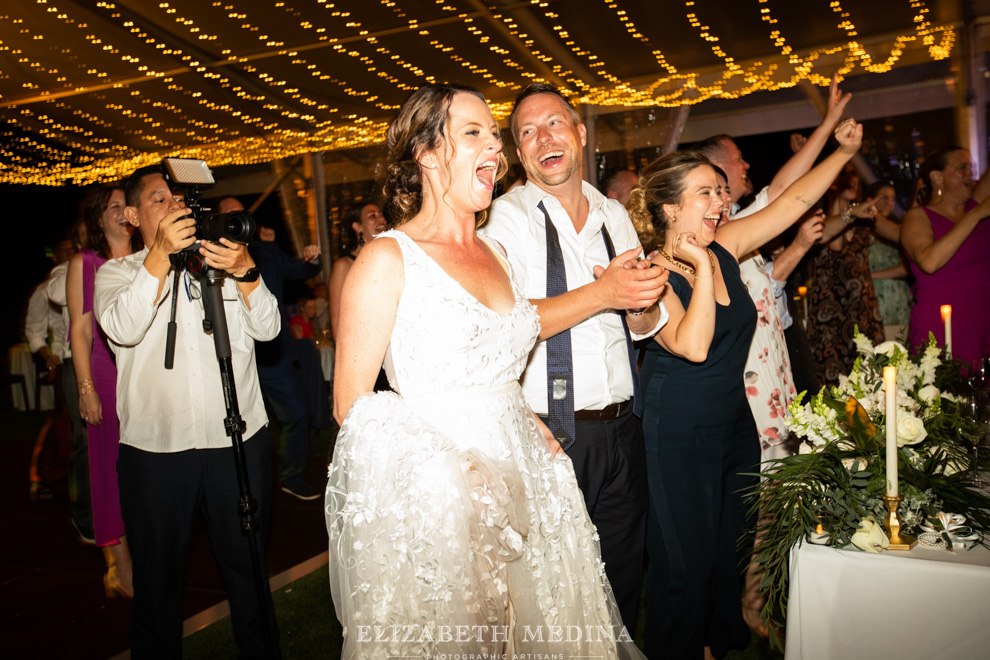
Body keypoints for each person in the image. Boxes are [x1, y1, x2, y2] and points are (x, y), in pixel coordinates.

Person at [327, 82, 641, 658]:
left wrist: (527, 416)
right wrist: (453, 473)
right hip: (444, 498)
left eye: (495, 136)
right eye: (473, 133)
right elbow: (351, 403)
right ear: (426, 153)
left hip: (528, 475)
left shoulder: (494, 255)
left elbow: (496, 357)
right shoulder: (387, 258)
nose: (494, 149)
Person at [630, 118, 862, 659]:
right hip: (678, 433)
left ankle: (714, 647)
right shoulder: (649, 276)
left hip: (735, 425)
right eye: (705, 194)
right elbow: (694, 345)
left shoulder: (725, 244)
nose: (720, 202)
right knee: (683, 567)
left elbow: (790, 202)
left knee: (724, 554)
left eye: (720, 191)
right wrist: (703, 269)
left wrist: (841, 152)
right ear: (669, 210)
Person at [481, 83, 669, 631]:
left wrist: (640, 305)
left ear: (580, 133)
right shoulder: (503, 219)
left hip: (623, 430)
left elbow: (640, 322)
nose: (545, 139)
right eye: (528, 133)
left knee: (622, 578)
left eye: (555, 124)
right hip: (550, 433)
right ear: (519, 152)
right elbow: (503, 324)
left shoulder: (615, 213)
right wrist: (606, 294)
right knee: (556, 589)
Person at [94, 165, 282, 658]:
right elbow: (123, 328)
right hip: (158, 453)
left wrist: (246, 273)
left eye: (178, 199)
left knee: (248, 573)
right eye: (159, 200)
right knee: (157, 586)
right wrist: (158, 258)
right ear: (133, 215)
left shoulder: (220, 261)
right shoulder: (117, 274)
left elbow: (269, 329)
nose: (175, 206)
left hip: (237, 442)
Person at [224, 196, 328, 500]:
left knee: (296, 412)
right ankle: (235, 486)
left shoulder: (265, 250)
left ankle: (291, 477)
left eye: (240, 214)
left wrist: (313, 258)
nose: (236, 219)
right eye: (229, 215)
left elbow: (303, 270)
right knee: (237, 425)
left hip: (271, 355)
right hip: (232, 356)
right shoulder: (208, 255)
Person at [67, 184, 138, 598]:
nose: (121, 211)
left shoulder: (150, 258)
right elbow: (79, 329)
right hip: (105, 375)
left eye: (123, 205)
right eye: (112, 207)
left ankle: (145, 551)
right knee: (108, 469)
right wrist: (86, 388)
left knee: (142, 470)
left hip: (143, 378)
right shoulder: (86, 262)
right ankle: (119, 566)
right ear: (98, 218)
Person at [901, 146, 990, 366]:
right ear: (937, 177)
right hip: (942, 327)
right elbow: (929, 262)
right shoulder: (918, 217)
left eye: (972, 167)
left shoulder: (974, 206)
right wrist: (976, 215)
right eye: (962, 167)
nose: (971, 173)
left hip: (984, 321)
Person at [47, 225, 94, 541]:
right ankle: (85, 514)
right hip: (72, 363)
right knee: (84, 440)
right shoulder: (64, 273)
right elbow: (53, 295)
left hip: (110, 361)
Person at [327, 201, 385, 339]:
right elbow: (337, 323)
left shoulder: (387, 260)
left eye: (381, 215)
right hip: (362, 344)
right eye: (372, 216)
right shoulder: (344, 266)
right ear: (357, 227)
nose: (381, 219)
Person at [865, 182, 913, 331]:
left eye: (892, 198)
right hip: (869, 294)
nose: (889, 202)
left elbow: (908, 266)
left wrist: (872, 275)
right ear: (870, 199)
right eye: (884, 197)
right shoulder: (860, 229)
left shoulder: (900, 230)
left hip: (896, 294)